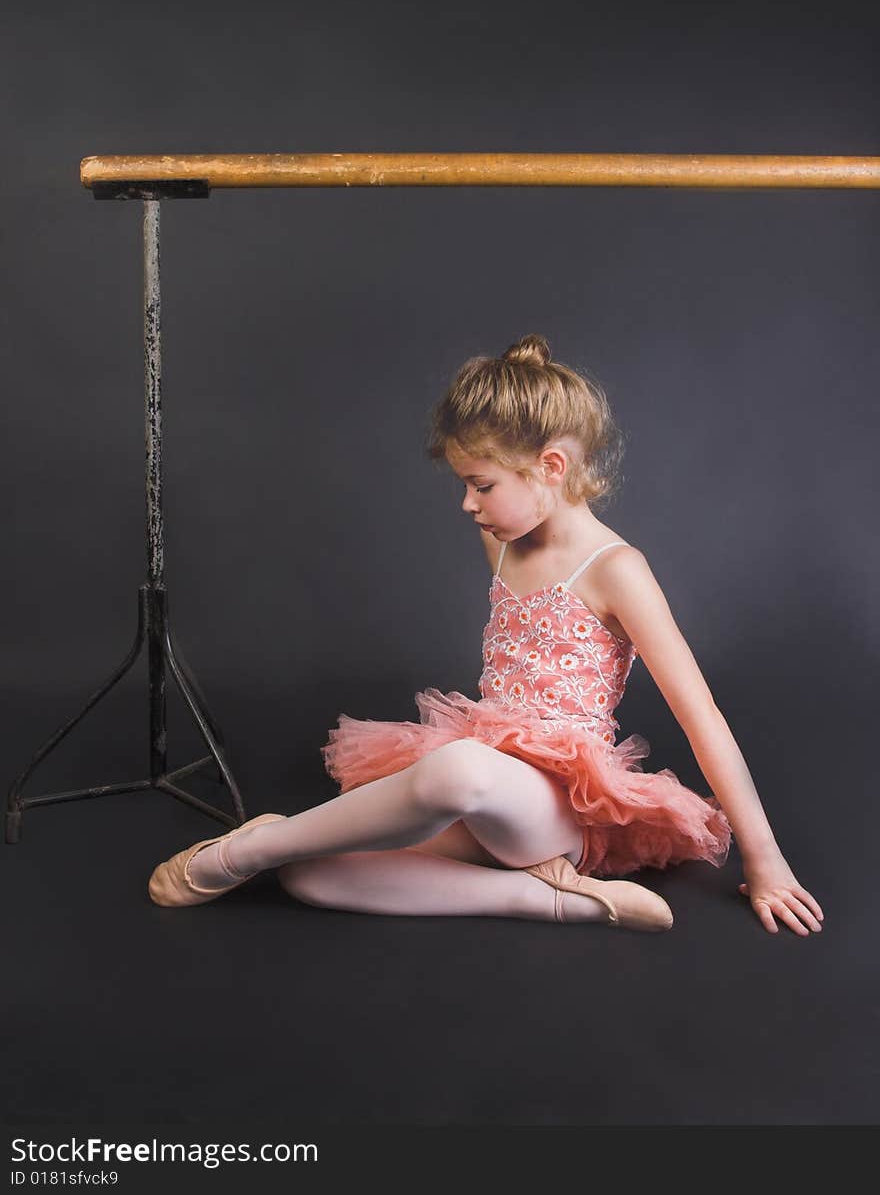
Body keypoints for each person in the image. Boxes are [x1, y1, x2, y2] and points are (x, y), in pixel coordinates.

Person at [149, 334, 823, 936]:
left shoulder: (618, 570)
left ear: (551, 468)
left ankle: (252, 846)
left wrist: (765, 859)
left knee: (448, 775)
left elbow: (701, 715)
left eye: (482, 484)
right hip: (479, 785)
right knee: (311, 876)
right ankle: (555, 901)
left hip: (556, 806)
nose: (467, 504)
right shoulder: (499, 537)